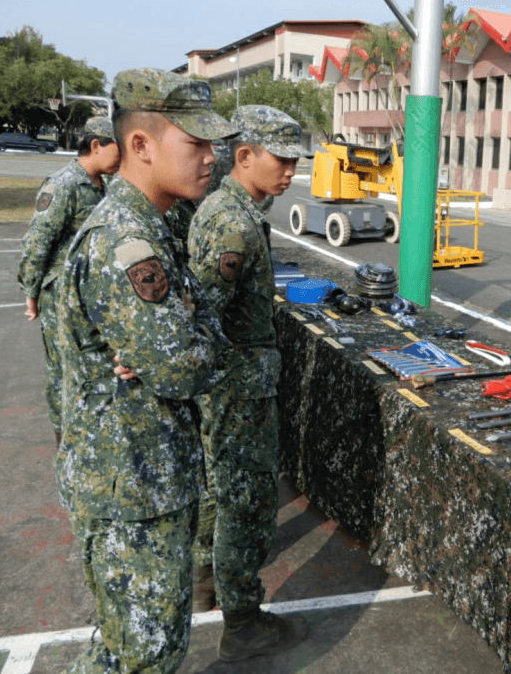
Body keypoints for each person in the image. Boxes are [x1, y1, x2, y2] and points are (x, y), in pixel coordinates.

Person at [55, 68, 237, 673]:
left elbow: (191, 343)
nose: (213, 158)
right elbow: (186, 367)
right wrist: (187, 339)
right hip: (130, 483)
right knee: (142, 655)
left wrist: (185, 337)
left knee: (129, 647)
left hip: (146, 474)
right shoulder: (123, 242)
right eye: (196, 142)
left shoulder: (153, 228)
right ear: (140, 145)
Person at [187, 104, 309, 662]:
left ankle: (204, 583)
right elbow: (204, 316)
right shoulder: (233, 222)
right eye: (281, 160)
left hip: (232, 384)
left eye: (294, 161)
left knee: (219, 490)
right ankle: (242, 622)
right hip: (237, 389)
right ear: (244, 156)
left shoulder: (228, 209)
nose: (291, 172)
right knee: (246, 500)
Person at [17, 115, 119, 447]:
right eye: (118, 149)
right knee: (63, 368)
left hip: (93, 297)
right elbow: (37, 243)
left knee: (93, 366)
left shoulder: (106, 186)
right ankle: (66, 439)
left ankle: (92, 432)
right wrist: (30, 292)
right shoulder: (62, 185)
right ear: (96, 146)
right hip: (60, 296)